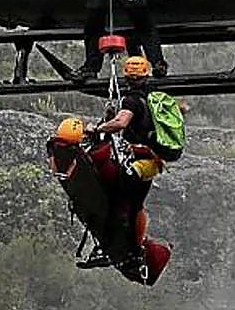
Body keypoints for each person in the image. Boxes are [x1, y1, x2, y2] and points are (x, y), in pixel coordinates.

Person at [46, 114, 171, 285]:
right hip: (109, 187)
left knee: (148, 166)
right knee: (147, 166)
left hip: (113, 185)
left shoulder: (128, 239)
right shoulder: (122, 244)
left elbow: (130, 196)